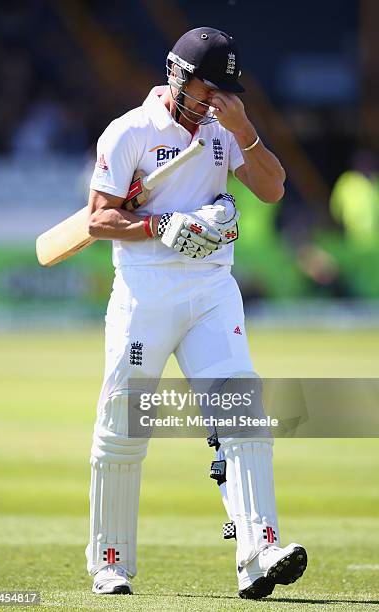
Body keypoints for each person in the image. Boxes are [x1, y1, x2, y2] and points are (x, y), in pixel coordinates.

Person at [85, 26, 307, 600]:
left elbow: (274, 188)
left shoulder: (224, 129)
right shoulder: (129, 132)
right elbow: (97, 220)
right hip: (145, 291)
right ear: (178, 78)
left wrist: (247, 134)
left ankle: (259, 553)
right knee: (124, 430)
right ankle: (110, 561)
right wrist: (163, 226)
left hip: (211, 288)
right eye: (210, 91)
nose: (218, 102)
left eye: (227, 93)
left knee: (243, 413)